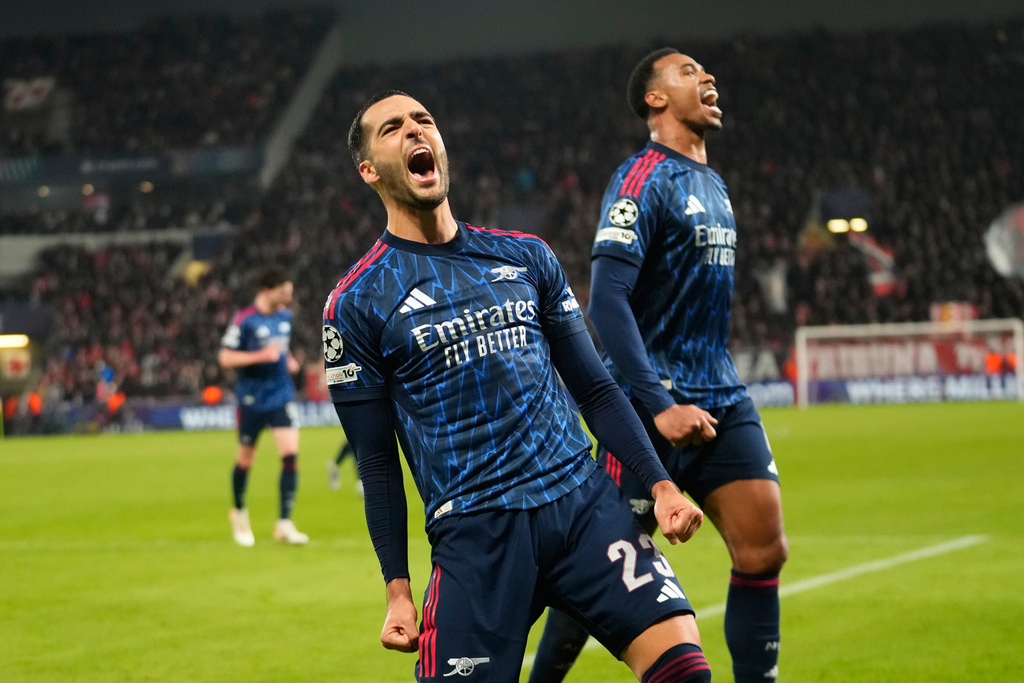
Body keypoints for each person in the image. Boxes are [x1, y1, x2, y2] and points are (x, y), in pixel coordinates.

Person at [323, 90, 713, 683]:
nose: (414, 131)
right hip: (477, 533)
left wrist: (660, 484)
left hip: (582, 505)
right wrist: (398, 590)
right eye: (392, 128)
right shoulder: (356, 302)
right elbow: (376, 462)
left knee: (685, 671)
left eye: (424, 120)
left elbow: (598, 390)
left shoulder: (525, 257)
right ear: (369, 170)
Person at [529, 48, 789, 683]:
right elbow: (607, 300)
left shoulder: (715, 182)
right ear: (654, 98)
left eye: (706, 72)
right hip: (648, 408)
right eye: (687, 72)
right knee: (606, 571)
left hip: (721, 393)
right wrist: (659, 402)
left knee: (763, 550)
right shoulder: (641, 179)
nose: (708, 78)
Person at [219, 266, 309, 546]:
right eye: (283, 294)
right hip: (251, 399)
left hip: (281, 395)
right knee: (246, 459)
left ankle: (284, 523)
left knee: (290, 455)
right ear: (266, 291)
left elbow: (280, 348)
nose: (287, 300)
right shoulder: (244, 320)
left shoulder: (285, 317)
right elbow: (226, 358)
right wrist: (260, 355)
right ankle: (239, 513)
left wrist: (288, 360)